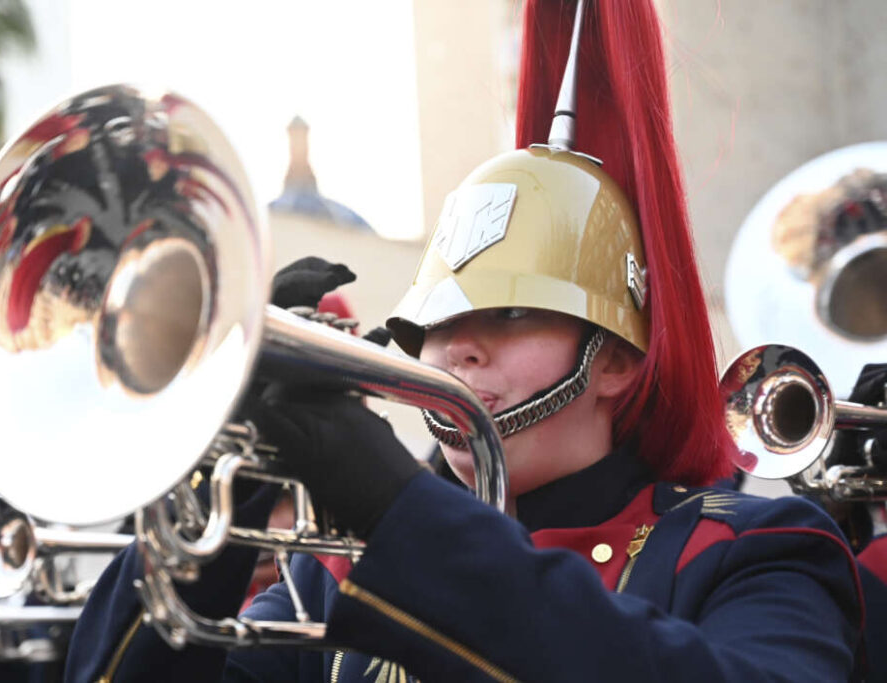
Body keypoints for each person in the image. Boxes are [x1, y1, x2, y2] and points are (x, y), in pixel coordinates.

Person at [65, 1, 863, 681]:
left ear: (616, 357)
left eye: (511, 314)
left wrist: (398, 509)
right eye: (436, 323)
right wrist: (215, 488)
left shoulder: (748, 547)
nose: (459, 350)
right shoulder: (335, 565)